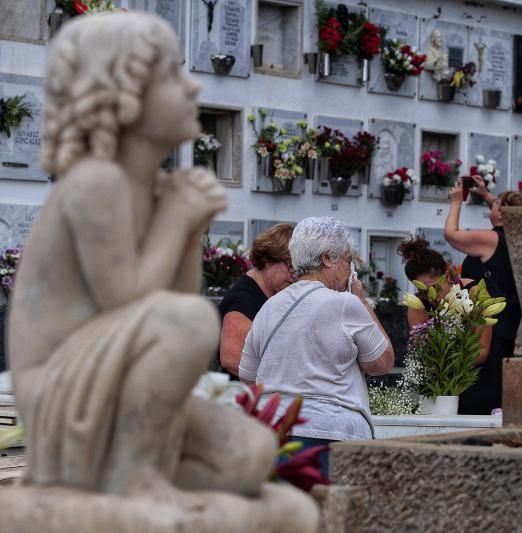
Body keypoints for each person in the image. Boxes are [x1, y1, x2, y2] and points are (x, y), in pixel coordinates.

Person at [6, 12, 314, 518]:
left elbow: (169, 296)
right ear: (124, 96)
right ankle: (130, 474)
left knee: (252, 454)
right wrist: (177, 219)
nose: (191, 85)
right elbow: (130, 301)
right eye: (172, 74)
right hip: (64, 388)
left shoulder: (150, 189)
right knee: (189, 319)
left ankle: (142, 468)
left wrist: (187, 228)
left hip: (118, 375)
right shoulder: (94, 183)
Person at [239, 217, 394, 476]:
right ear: (327, 259)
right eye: (347, 260)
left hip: (276, 434)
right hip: (332, 433)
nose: (349, 270)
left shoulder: (269, 307)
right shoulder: (345, 303)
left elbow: (247, 376)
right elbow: (382, 362)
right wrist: (362, 300)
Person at [443, 177, 522, 413]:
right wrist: (486, 195)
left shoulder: (491, 239)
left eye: (495, 204)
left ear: (501, 214)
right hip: (508, 325)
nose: (492, 206)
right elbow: (512, 211)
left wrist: (457, 201)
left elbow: (451, 234)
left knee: (478, 393)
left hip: (485, 326)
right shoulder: (519, 236)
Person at [397, 237, 492, 414]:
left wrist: (445, 364)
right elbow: (423, 350)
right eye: (423, 291)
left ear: (447, 274)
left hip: (477, 381)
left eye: (435, 288)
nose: (431, 296)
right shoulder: (418, 305)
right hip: (437, 385)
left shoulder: (475, 292)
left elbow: (482, 350)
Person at [218, 223, 295, 377]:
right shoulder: (242, 301)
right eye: (290, 266)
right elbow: (231, 358)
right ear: (268, 260)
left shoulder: (270, 293)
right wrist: (282, 380)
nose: (295, 275)